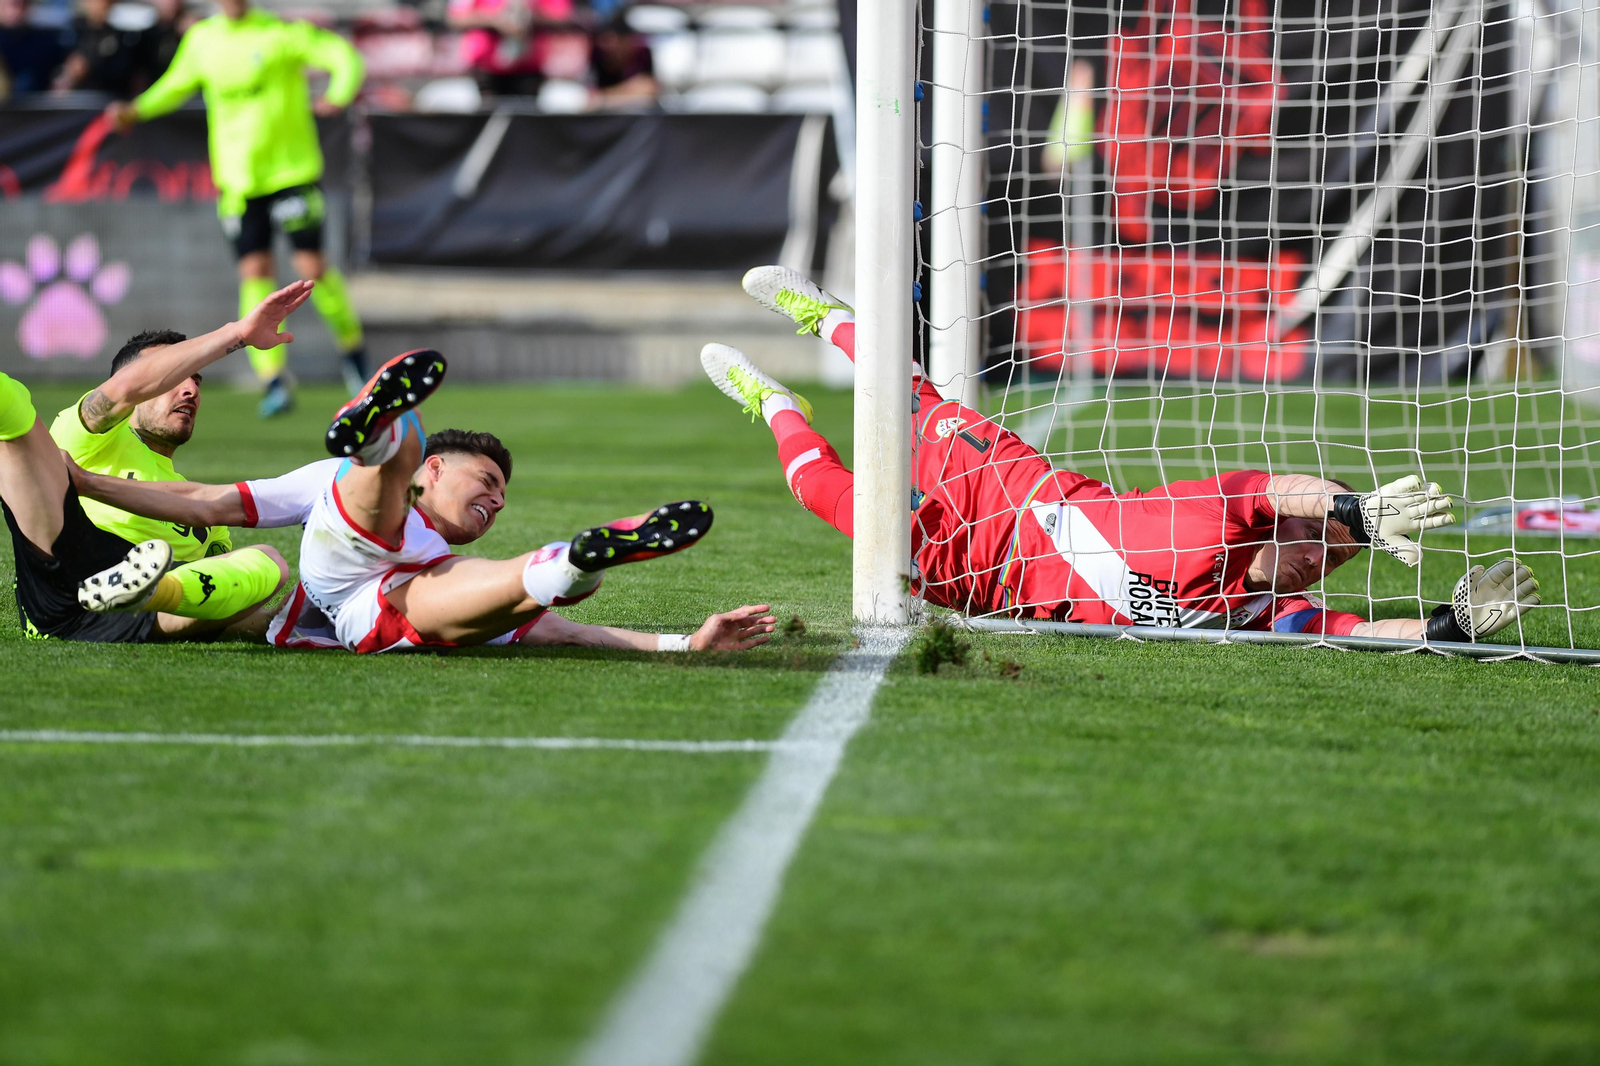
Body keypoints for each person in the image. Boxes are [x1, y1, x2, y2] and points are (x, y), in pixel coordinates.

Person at [699, 265, 1542, 644]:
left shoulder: (1258, 620)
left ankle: (773, 404)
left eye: (1330, 563)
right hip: (1017, 495)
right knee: (909, 402)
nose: (1314, 566)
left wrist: (1448, 626)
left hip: (978, 580)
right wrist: (1351, 508)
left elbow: (1365, 632)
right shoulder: (1219, 516)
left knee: (828, 497)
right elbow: (1278, 488)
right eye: (1316, 544)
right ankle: (828, 318)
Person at [74, 350, 778, 654]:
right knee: (376, 483)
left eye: (503, 495)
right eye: (488, 483)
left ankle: (580, 562)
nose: (497, 501)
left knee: (519, 591)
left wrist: (686, 642)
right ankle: (379, 435)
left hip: (389, 606)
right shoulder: (358, 481)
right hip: (344, 560)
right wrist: (83, 482)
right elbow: (208, 501)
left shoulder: (439, 560)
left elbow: (567, 634)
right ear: (441, 470)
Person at [0, 282, 313, 643]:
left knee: (269, 561)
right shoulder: (89, 437)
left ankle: (147, 590)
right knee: (14, 400)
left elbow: (221, 598)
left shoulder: (201, 510)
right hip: (63, 578)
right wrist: (238, 334)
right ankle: (136, 587)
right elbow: (127, 388)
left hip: (144, 617)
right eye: (175, 376)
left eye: (196, 380)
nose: (191, 389)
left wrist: (279, 618)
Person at [104, 0, 368, 417]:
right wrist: (137, 109)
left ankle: (353, 354)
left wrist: (339, 92)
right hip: (239, 184)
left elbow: (343, 55)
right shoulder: (203, 39)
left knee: (312, 269)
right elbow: (175, 85)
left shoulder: (280, 34)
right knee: (254, 273)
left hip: (291, 173)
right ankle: (274, 378)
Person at [52, 0, 146, 97]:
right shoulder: (73, 30)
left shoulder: (123, 37)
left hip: (108, 98)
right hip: (75, 99)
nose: (97, 5)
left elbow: (130, 75)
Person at [0, 0, 72, 97]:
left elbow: (65, 68)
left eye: (23, 4)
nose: (18, 9)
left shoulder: (46, 41)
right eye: (14, 4)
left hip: (37, 105)